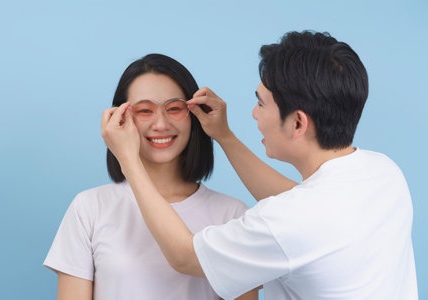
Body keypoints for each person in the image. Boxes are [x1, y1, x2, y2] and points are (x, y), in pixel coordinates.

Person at [101, 31, 418, 300]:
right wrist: (224, 137)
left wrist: (127, 159)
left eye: (261, 102)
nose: (253, 114)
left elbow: (184, 255)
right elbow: (302, 201)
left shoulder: (284, 223)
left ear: (297, 123)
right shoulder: (383, 173)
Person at [44, 54, 258, 300]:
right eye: (144, 110)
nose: (161, 124)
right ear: (119, 117)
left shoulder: (232, 215)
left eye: (175, 109)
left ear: (195, 115)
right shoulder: (89, 209)